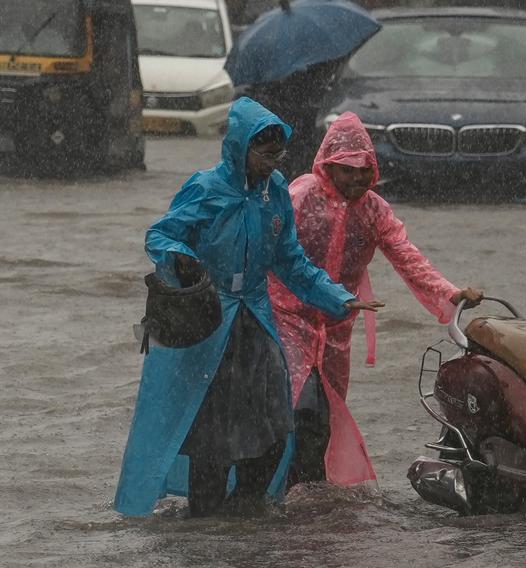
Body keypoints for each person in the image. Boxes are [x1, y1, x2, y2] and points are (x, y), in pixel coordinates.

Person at [113, 97, 382, 518]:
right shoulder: (204, 189)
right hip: (208, 323)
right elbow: (160, 236)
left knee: (275, 423)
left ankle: (246, 509)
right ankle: (206, 521)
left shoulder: (275, 192)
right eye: (265, 154)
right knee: (209, 431)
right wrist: (182, 255)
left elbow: (290, 261)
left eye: (278, 154)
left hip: (256, 320)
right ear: (240, 147)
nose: (273, 163)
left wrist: (339, 297)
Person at [267, 111, 483, 488]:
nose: (355, 178)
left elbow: (407, 257)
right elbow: (270, 248)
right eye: (345, 169)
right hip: (288, 317)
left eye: (363, 169)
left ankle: (310, 494)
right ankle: (279, 487)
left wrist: (450, 293)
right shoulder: (301, 197)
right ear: (327, 166)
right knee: (297, 407)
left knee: (328, 415)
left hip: (337, 327)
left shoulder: (373, 211)